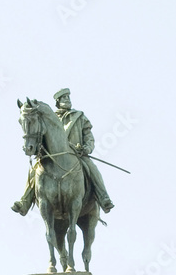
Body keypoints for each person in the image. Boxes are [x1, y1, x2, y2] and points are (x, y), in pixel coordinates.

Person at [12, 88, 115, 216]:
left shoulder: (79, 116)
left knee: (91, 168)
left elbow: (88, 136)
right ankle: (25, 201)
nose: (67, 100)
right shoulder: (50, 118)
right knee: (35, 170)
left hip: (77, 154)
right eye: (63, 98)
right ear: (58, 102)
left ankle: (103, 197)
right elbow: (41, 136)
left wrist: (86, 148)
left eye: (68, 97)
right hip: (52, 157)